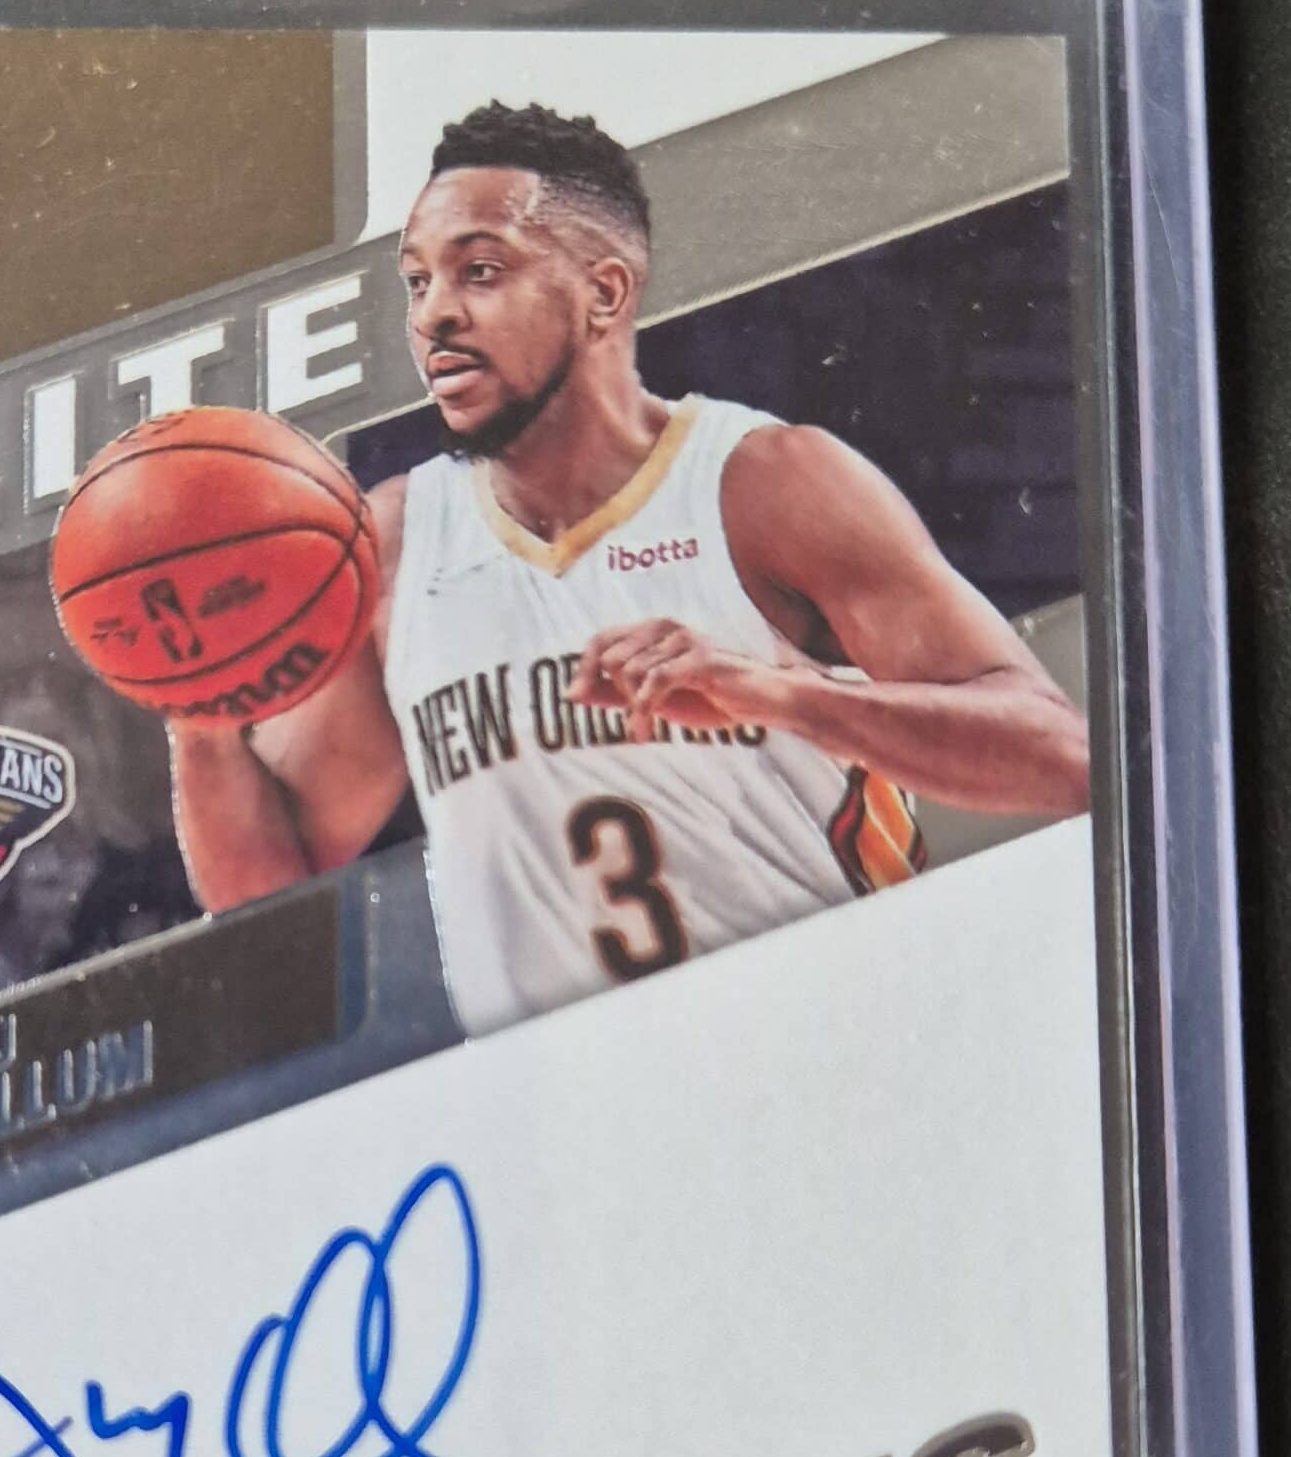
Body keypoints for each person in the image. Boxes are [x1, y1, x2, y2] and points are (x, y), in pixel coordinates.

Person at [167, 101, 1091, 1036]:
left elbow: (1064, 761)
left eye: (480, 271)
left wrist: (787, 697)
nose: (434, 313)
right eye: (417, 280)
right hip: (562, 1105)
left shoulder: (765, 484)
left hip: (830, 1050)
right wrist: (200, 728)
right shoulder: (400, 542)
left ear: (604, 293)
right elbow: (267, 898)